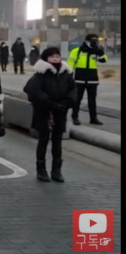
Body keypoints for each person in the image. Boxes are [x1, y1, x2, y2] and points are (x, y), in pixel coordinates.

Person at [24, 47, 75, 182]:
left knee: (57, 141)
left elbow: (73, 90)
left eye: (57, 56)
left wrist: (67, 102)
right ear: (46, 59)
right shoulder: (41, 74)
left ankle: (56, 170)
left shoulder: (66, 73)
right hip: (44, 112)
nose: (55, 59)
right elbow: (33, 90)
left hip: (61, 111)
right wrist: (50, 103)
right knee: (44, 139)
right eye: (52, 57)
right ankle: (41, 170)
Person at [67, 33, 107, 126]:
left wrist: (100, 52)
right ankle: (75, 117)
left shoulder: (97, 51)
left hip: (92, 79)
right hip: (79, 79)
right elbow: (70, 64)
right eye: (91, 41)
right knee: (77, 99)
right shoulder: (77, 51)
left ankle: (93, 118)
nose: (93, 43)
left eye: (95, 41)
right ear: (86, 41)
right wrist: (68, 77)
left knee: (92, 100)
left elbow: (104, 60)